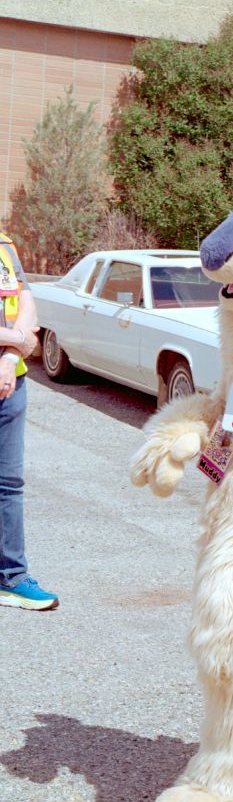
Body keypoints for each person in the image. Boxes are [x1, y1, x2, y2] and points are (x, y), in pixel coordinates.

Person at [0, 232, 58, 611]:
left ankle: (12, 577)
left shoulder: (4, 244)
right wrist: (18, 339)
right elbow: (27, 334)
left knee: (9, 483)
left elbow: (28, 302)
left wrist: (8, 356)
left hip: (10, 382)